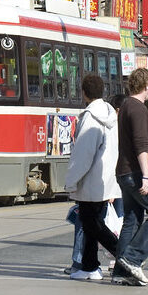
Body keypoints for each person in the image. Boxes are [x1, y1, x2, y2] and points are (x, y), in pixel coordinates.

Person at [112, 67, 148, 287]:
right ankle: (133, 259)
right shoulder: (139, 109)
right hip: (136, 172)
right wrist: (146, 175)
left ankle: (120, 270)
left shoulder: (125, 106)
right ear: (145, 86)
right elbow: (142, 145)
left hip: (124, 172)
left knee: (132, 220)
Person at [64, 75, 120, 282]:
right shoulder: (109, 115)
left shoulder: (90, 117)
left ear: (84, 92)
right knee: (91, 223)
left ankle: (124, 253)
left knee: (91, 224)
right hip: (106, 179)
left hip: (90, 180)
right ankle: (89, 266)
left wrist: (71, 180)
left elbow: (83, 155)